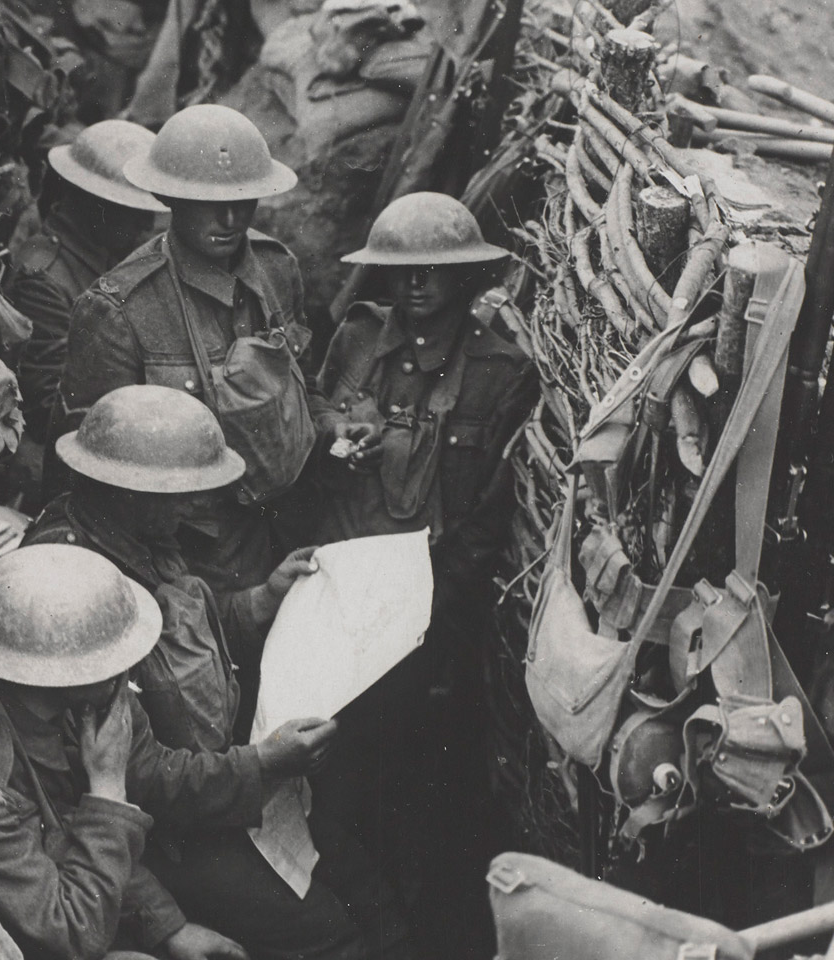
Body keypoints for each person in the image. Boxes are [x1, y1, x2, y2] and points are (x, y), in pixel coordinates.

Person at [26, 383, 419, 960]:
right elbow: (136, 778)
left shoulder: (133, 536)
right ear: (130, 490)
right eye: (181, 493)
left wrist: (260, 599)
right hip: (162, 837)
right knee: (327, 935)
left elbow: (182, 644)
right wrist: (262, 765)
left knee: (365, 882)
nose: (198, 505)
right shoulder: (73, 589)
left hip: (219, 789)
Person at [305, 191, 539, 958]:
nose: (416, 285)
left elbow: (490, 516)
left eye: (435, 269)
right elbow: (309, 424)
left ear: (467, 277)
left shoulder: (499, 374)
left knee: (419, 788)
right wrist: (336, 431)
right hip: (337, 598)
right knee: (332, 779)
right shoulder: (355, 342)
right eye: (401, 270)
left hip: (428, 621)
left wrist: (426, 599)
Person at [0, 543, 339, 960]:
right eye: (111, 659)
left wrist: (166, 926)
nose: (127, 667)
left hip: (83, 895)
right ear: (58, 672)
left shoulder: (68, 689)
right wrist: (107, 790)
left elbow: (112, 798)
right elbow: (68, 933)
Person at [61, 103, 321, 593]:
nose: (230, 218)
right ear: (170, 197)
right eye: (208, 202)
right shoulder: (119, 310)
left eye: (243, 201)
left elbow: (307, 390)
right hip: (193, 561)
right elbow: (95, 477)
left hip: (289, 527)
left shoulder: (277, 270)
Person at [6, 119, 167, 509]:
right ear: (94, 205)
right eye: (131, 212)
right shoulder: (45, 277)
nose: (144, 225)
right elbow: (48, 404)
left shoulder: (98, 262)